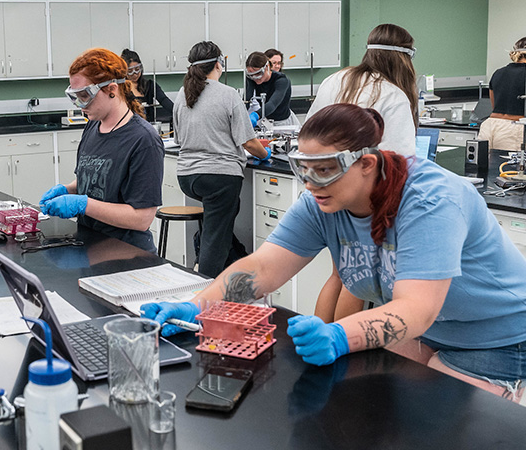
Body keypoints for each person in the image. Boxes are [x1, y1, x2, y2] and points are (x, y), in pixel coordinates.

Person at [143, 104, 526, 399]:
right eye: (303, 169)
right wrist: (198, 306)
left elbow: (416, 309)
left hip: (498, 338)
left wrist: (340, 336)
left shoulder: (431, 201)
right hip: (434, 330)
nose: (310, 184)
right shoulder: (322, 199)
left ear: (366, 164)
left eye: (323, 170)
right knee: (372, 402)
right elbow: (265, 267)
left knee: (430, 427)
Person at [38, 48, 163, 252]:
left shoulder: (143, 140)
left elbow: (141, 218)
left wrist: (83, 205)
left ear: (112, 89)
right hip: (89, 245)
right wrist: (67, 190)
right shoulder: (93, 126)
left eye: (85, 96)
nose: (80, 105)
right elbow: (90, 182)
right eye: (74, 97)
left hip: (128, 255)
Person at [172, 41, 269, 277]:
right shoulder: (228, 94)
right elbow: (248, 142)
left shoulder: (182, 94)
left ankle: (236, 268)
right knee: (216, 238)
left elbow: (178, 138)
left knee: (221, 225)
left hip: (187, 176)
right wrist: (265, 154)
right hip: (219, 176)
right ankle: (206, 289)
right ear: (219, 63)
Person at [306, 24, 418, 156]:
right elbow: (400, 156)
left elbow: (308, 133)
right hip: (364, 174)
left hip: (322, 171)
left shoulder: (334, 80)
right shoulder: (393, 96)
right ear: (405, 59)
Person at [478, 37, 526, 151]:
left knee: (484, 167)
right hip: (514, 130)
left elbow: (494, 105)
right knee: (509, 168)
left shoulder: (498, 73)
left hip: (489, 126)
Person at [244, 51, 297, 126]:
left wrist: (255, 115)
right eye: (251, 75)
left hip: (283, 122)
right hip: (266, 120)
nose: (255, 78)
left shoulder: (282, 80)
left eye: (258, 74)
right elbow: (247, 100)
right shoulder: (252, 78)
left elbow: (272, 104)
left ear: (267, 67)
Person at [121, 49, 175, 123]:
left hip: (149, 127)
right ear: (124, 71)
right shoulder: (121, 89)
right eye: (130, 71)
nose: (135, 74)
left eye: (137, 69)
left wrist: (178, 112)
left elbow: (164, 100)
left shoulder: (150, 85)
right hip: (130, 129)